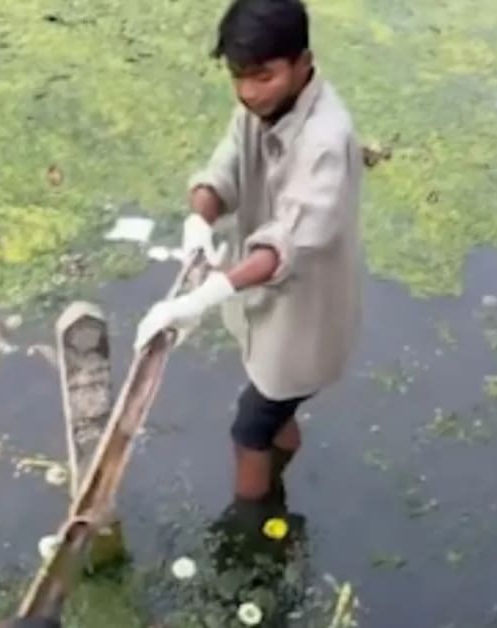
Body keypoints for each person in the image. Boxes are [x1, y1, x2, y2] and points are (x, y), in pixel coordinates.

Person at [134, 0, 362, 512]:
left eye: (263, 76)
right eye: (239, 76)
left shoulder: (326, 141)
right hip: (266, 308)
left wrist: (201, 297)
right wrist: (199, 221)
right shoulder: (259, 109)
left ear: (303, 64)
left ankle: (251, 526)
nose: (249, 92)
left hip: (305, 320)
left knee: (249, 430)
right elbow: (224, 170)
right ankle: (284, 469)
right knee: (275, 411)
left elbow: (286, 245)